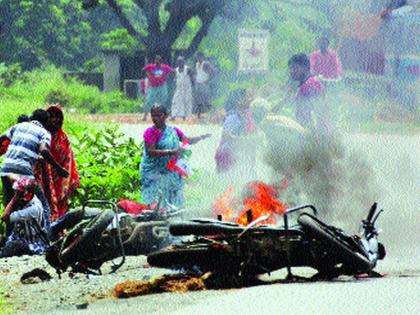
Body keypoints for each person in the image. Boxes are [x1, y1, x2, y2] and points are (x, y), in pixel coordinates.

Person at [0, 109, 69, 235]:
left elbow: (2, 139)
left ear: (32, 118)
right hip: (23, 173)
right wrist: (58, 169)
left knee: (10, 205)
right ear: (46, 122)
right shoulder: (44, 132)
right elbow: (44, 150)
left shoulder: (18, 126)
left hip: (5, 170)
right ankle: (47, 238)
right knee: (43, 206)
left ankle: (9, 239)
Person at [140, 105, 210, 209]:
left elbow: (187, 140)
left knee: (174, 200)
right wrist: (172, 152)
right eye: (153, 116)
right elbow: (151, 152)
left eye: (159, 115)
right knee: (156, 203)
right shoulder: (150, 132)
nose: (155, 118)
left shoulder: (173, 131)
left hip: (171, 172)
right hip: (154, 173)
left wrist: (201, 137)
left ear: (166, 116)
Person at [34, 105, 80, 221]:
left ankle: (57, 229)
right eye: (51, 117)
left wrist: (65, 178)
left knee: (59, 207)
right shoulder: (41, 135)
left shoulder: (63, 138)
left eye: (57, 117)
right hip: (43, 175)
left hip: (59, 178)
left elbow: (69, 158)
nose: (54, 120)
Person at [0, 177, 49, 257]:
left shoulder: (34, 209)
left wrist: (14, 198)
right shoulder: (26, 200)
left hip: (32, 243)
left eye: (19, 193)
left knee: (12, 247)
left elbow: (4, 217)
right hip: (19, 237)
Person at [215, 89, 257, 179]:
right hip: (226, 154)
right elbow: (225, 135)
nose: (250, 99)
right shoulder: (233, 117)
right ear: (238, 101)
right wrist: (244, 141)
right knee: (228, 183)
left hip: (232, 154)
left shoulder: (243, 116)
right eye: (247, 97)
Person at [288, 54, 331, 133]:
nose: (291, 71)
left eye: (295, 68)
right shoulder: (309, 83)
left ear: (305, 68)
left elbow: (316, 112)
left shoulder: (310, 85)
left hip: (313, 133)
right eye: (290, 68)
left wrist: (313, 134)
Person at [142, 55, 173, 121]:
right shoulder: (151, 66)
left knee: (163, 101)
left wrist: (166, 76)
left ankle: (164, 116)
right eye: (156, 60)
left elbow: (172, 71)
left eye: (159, 60)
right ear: (154, 61)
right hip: (153, 87)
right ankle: (145, 116)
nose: (157, 62)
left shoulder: (164, 67)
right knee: (149, 100)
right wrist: (149, 75)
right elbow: (143, 70)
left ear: (161, 61)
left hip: (162, 86)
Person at [171, 56, 193, 121]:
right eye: (179, 61)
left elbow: (192, 78)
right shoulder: (176, 70)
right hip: (179, 89)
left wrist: (193, 85)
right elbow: (175, 78)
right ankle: (173, 116)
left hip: (187, 88)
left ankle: (185, 117)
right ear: (177, 62)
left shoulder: (188, 69)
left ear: (184, 62)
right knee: (175, 101)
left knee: (186, 101)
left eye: (181, 61)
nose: (180, 63)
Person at [193, 53, 215, 119]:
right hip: (198, 84)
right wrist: (195, 79)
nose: (198, 58)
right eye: (197, 57)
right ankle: (199, 115)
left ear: (202, 57)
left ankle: (212, 113)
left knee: (205, 100)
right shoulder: (197, 64)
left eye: (199, 57)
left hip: (204, 84)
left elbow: (212, 72)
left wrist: (207, 80)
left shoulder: (205, 64)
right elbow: (197, 73)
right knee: (198, 100)